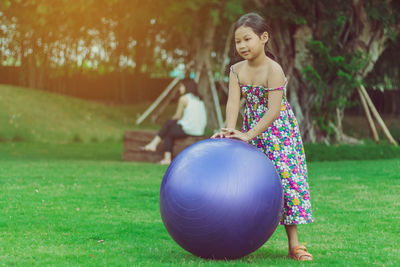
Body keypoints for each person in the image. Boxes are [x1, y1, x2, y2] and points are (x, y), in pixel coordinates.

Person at [212, 13, 314, 261]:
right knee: (248, 183)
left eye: (247, 39)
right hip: (251, 131)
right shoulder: (236, 70)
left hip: (279, 132)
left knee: (286, 182)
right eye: (238, 42)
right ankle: (239, 236)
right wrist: (229, 131)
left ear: (264, 37)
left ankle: (294, 245)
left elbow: (273, 111)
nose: (242, 46)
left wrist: (247, 135)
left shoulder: (274, 69)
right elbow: (233, 103)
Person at [142, 78, 207, 165]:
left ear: (186, 87)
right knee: (170, 127)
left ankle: (163, 155)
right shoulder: (199, 100)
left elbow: (177, 116)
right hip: (199, 130)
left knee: (169, 127)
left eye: (181, 86)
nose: (180, 89)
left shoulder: (183, 99)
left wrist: (169, 121)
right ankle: (153, 145)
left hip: (189, 129)